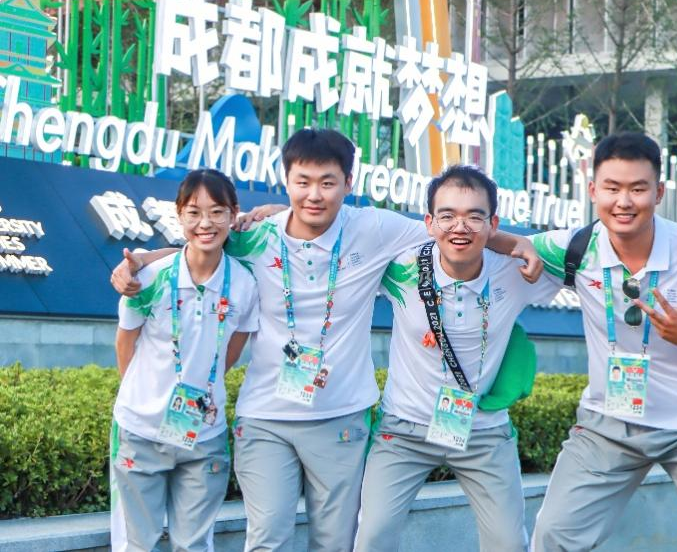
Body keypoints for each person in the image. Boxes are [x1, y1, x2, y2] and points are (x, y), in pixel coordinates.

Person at [110, 128, 543, 552]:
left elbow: (453, 231)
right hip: (265, 417)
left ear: (348, 183)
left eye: (327, 182)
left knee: (335, 543)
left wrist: (515, 243)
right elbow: (198, 248)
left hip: (341, 417)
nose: (314, 194)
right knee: (267, 540)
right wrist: (141, 260)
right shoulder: (256, 234)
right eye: (303, 182)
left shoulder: (374, 228)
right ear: (286, 181)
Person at [529, 132, 677, 551]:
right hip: (609, 422)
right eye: (612, 188)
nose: (624, 201)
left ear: (658, 192)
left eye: (638, 189)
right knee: (553, 536)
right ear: (593, 190)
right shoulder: (576, 247)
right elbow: (507, 244)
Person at [354, 165, 559, 552]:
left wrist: (521, 244)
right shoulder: (400, 266)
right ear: (429, 222)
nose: (459, 227)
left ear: (493, 223)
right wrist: (277, 214)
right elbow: (333, 228)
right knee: (371, 538)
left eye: (474, 216)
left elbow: (593, 243)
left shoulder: (516, 270)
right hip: (404, 430)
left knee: (508, 544)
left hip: (484, 433)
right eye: (447, 216)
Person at [111, 169, 260, 552]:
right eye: (194, 212)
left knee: (193, 544)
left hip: (204, 435)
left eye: (217, 212)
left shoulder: (244, 283)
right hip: (141, 432)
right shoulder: (149, 277)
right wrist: (145, 397)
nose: (205, 223)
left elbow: (231, 351)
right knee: (138, 544)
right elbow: (125, 343)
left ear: (233, 214)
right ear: (179, 215)